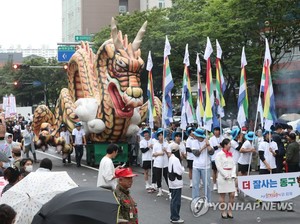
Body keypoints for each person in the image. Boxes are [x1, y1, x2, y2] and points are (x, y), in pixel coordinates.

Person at [191, 128, 214, 204]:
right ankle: (195, 200)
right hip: (196, 166)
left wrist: (208, 145)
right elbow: (196, 153)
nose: (196, 137)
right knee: (195, 184)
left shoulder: (208, 141)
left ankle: (208, 200)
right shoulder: (194, 142)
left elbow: (211, 152)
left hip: (206, 166)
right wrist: (204, 147)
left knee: (207, 185)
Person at [215, 139, 236, 219]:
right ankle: (223, 212)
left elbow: (234, 165)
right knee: (222, 195)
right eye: (229, 144)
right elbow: (219, 167)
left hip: (231, 176)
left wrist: (233, 174)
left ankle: (230, 211)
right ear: (225, 145)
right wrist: (225, 175)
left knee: (232, 195)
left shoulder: (231, 154)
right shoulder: (219, 155)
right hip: (223, 176)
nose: (230, 145)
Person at [168, 142, 185, 224]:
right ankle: (175, 217)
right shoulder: (176, 159)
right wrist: (183, 168)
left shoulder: (171, 157)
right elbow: (179, 171)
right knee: (176, 201)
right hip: (176, 182)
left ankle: (173, 217)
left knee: (173, 200)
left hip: (171, 181)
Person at [152, 128, 169, 197]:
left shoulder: (166, 143)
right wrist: (159, 153)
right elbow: (153, 154)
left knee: (167, 177)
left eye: (162, 135)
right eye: (159, 135)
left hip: (165, 164)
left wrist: (165, 151)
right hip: (157, 164)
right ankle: (160, 190)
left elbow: (169, 153)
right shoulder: (156, 144)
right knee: (158, 177)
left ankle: (170, 191)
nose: (161, 137)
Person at [229, 128, 244, 196]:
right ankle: (234, 189)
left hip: (239, 160)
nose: (240, 135)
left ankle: (238, 188)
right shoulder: (232, 142)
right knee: (235, 176)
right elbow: (239, 149)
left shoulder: (237, 141)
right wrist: (240, 141)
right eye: (239, 134)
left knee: (239, 176)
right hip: (234, 161)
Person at [209, 127, 224, 191]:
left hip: (222, 157)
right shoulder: (211, 139)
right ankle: (215, 184)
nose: (216, 131)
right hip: (214, 157)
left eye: (217, 130)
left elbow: (224, 146)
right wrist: (218, 146)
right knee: (214, 171)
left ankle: (221, 184)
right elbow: (212, 148)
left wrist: (220, 146)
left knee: (221, 171)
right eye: (215, 130)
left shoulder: (222, 138)